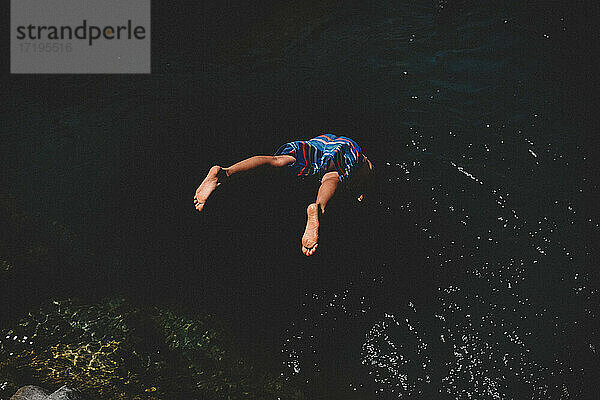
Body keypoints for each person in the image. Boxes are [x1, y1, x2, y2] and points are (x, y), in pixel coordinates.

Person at [193, 133, 375, 256]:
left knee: (278, 160)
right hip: (344, 150)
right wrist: (362, 194)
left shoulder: (330, 141)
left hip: (319, 142)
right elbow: (366, 175)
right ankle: (318, 208)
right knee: (331, 177)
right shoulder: (362, 161)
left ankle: (225, 173)